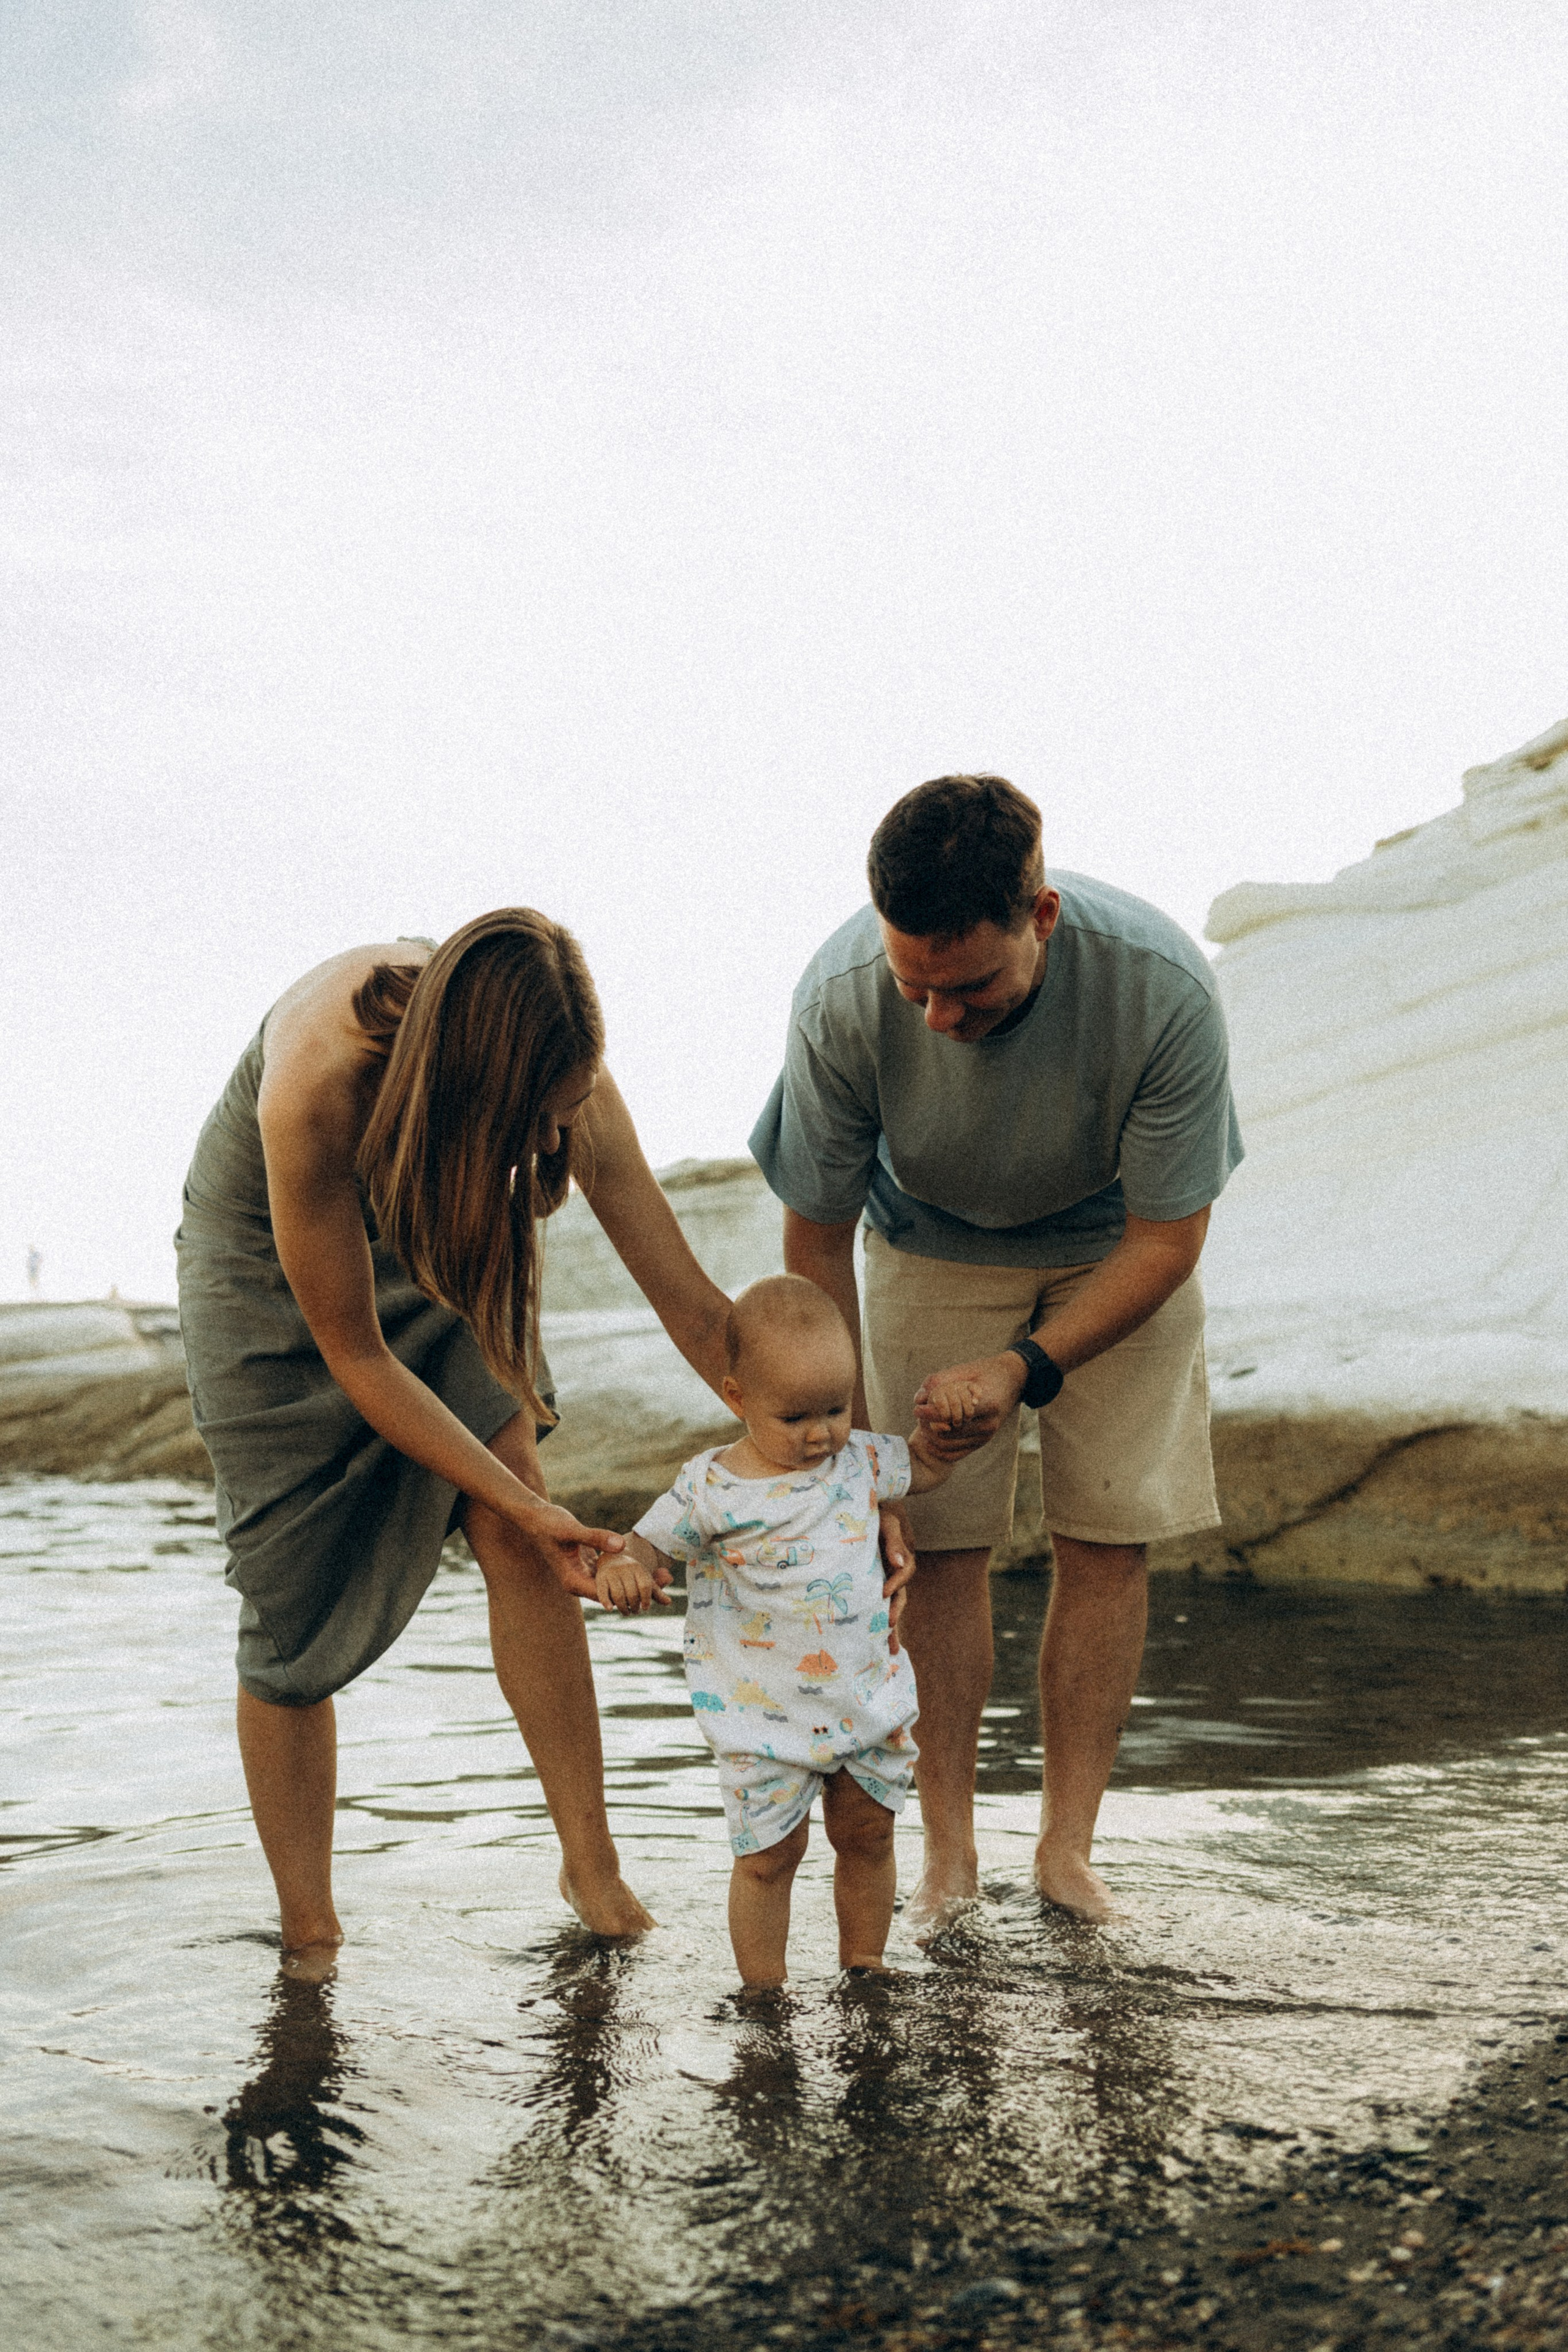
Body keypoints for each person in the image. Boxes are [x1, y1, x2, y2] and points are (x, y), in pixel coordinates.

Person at [176, 910, 747, 1975]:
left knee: (514, 1499)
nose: (550, 1144)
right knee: (289, 1607)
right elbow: (355, 1354)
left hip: (443, 1221)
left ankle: (595, 1869)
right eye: (536, 1119)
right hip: (271, 1261)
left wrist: (839, 1469)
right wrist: (539, 1513)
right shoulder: (320, 1080)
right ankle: (311, 1933)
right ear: (481, 1082)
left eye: (564, 1114)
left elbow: (696, 1309)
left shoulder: (560, 1082)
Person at [750, 777, 1243, 1926]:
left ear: (1044, 919)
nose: (936, 1019)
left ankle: (1067, 1851)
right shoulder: (837, 998)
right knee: (935, 1541)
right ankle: (950, 1854)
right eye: (912, 985)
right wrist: (848, 1451)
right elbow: (815, 1239)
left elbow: (1170, 1240)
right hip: (928, 1245)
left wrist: (1022, 1368)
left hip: (1117, 1249)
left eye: (968, 987)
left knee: (1110, 1532)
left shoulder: (1161, 987)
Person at [603, 1276, 971, 1988]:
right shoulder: (711, 1487)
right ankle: (762, 1993)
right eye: (796, 1415)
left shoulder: (859, 1459)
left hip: (864, 1701)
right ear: (738, 1398)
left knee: (868, 1835)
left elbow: (923, 1464)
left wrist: (946, 1431)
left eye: (835, 1408)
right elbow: (646, 1544)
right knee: (769, 1857)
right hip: (758, 1715)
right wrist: (624, 1566)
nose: (820, 1432)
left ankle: (864, 1965)